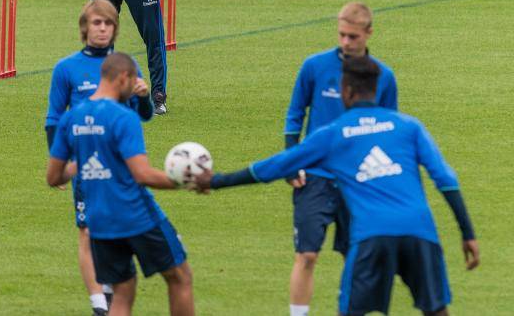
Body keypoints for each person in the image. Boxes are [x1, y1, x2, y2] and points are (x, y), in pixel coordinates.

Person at [195, 56, 479, 316]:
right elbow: (446, 179)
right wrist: (467, 233)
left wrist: (216, 181)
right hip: (420, 232)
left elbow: (276, 166)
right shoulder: (409, 126)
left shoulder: (333, 134)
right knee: (436, 310)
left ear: (346, 92)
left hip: (373, 234)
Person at [47, 53, 194, 316]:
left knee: (122, 293)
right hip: (135, 215)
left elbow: (53, 177)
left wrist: (81, 162)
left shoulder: (72, 119)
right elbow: (143, 175)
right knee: (180, 277)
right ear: (123, 78)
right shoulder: (124, 117)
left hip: (100, 220)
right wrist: (184, 182)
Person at [283, 2, 397, 316]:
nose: (346, 42)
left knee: (357, 257)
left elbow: (390, 132)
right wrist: (293, 161)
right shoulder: (314, 67)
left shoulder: (383, 77)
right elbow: (294, 116)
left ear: (369, 33)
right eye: (342, 35)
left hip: (359, 182)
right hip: (315, 177)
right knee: (306, 256)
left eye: (353, 37)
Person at [45, 0, 153, 315]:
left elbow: (143, 115)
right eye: (96, 23)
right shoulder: (67, 69)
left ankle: (110, 288)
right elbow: (54, 118)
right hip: (86, 161)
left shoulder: (127, 64)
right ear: (84, 28)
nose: (102, 29)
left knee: (120, 227)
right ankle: (98, 303)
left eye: (107, 24)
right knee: (88, 229)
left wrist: (144, 98)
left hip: (123, 163)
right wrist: (59, 162)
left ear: (115, 28)